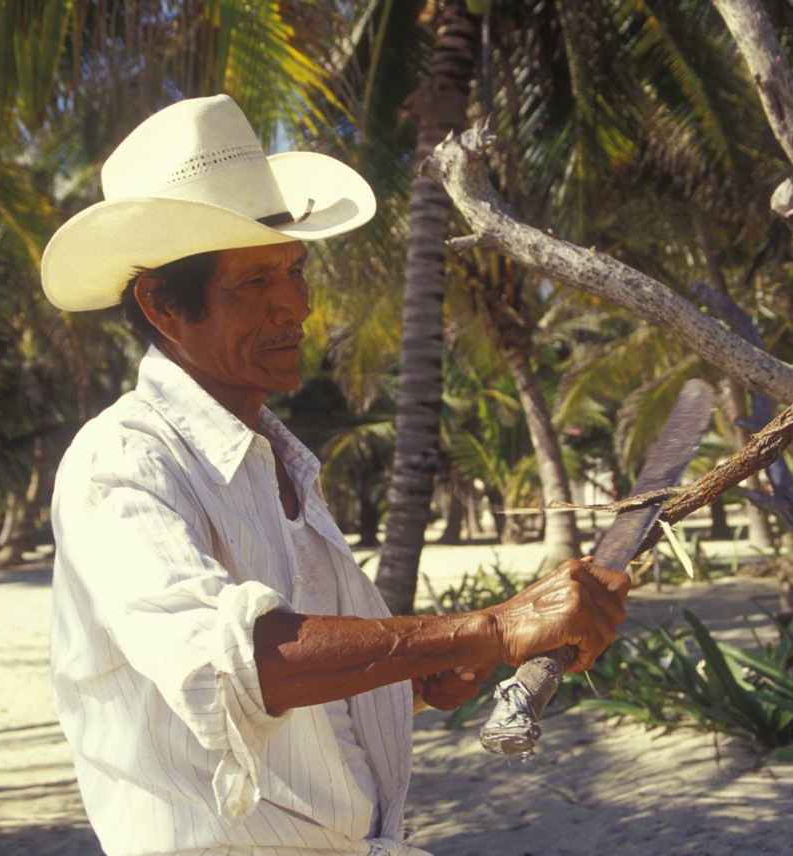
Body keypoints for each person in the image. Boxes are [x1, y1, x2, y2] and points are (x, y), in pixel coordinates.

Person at [41, 94, 629, 856]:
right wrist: (488, 627)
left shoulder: (274, 457)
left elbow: (300, 693)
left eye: (294, 270)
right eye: (254, 284)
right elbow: (238, 665)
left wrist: (422, 675)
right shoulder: (121, 461)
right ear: (160, 303)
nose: (297, 305)